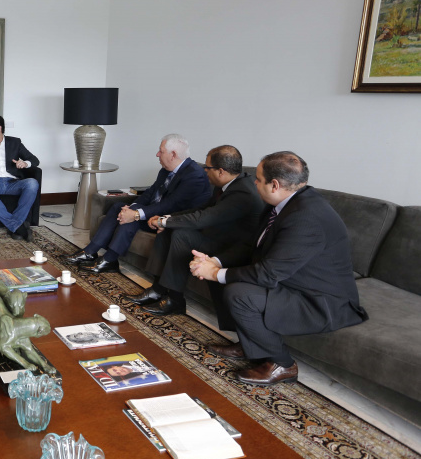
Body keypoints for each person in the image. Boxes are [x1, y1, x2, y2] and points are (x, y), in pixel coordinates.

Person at [189, 151, 368, 385]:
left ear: (274, 185)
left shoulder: (307, 217)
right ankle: (250, 345)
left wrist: (214, 273)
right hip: (293, 282)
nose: (254, 182)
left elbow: (268, 274)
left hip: (321, 301)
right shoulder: (284, 203)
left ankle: (282, 364)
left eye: (258, 179)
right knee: (225, 276)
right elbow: (252, 246)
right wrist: (215, 262)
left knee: (238, 292)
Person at [129, 145, 265, 318]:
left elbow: (204, 218)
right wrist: (166, 219)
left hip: (232, 248)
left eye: (207, 168)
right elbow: (201, 209)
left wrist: (165, 221)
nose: (205, 171)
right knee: (169, 229)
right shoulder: (226, 184)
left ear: (221, 171)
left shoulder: (242, 192)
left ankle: (175, 300)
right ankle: (158, 288)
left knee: (181, 234)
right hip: (219, 236)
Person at [65, 134, 211, 274]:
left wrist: (135, 214)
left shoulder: (194, 175)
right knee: (118, 207)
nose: (157, 154)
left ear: (173, 154)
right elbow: (150, 193)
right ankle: (90, 252)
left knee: (132, 220)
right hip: (154, 212)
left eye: (161, 151)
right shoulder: (166, 170)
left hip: (171, 220)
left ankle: (110, 260)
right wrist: (132, 208)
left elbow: (171, 205)